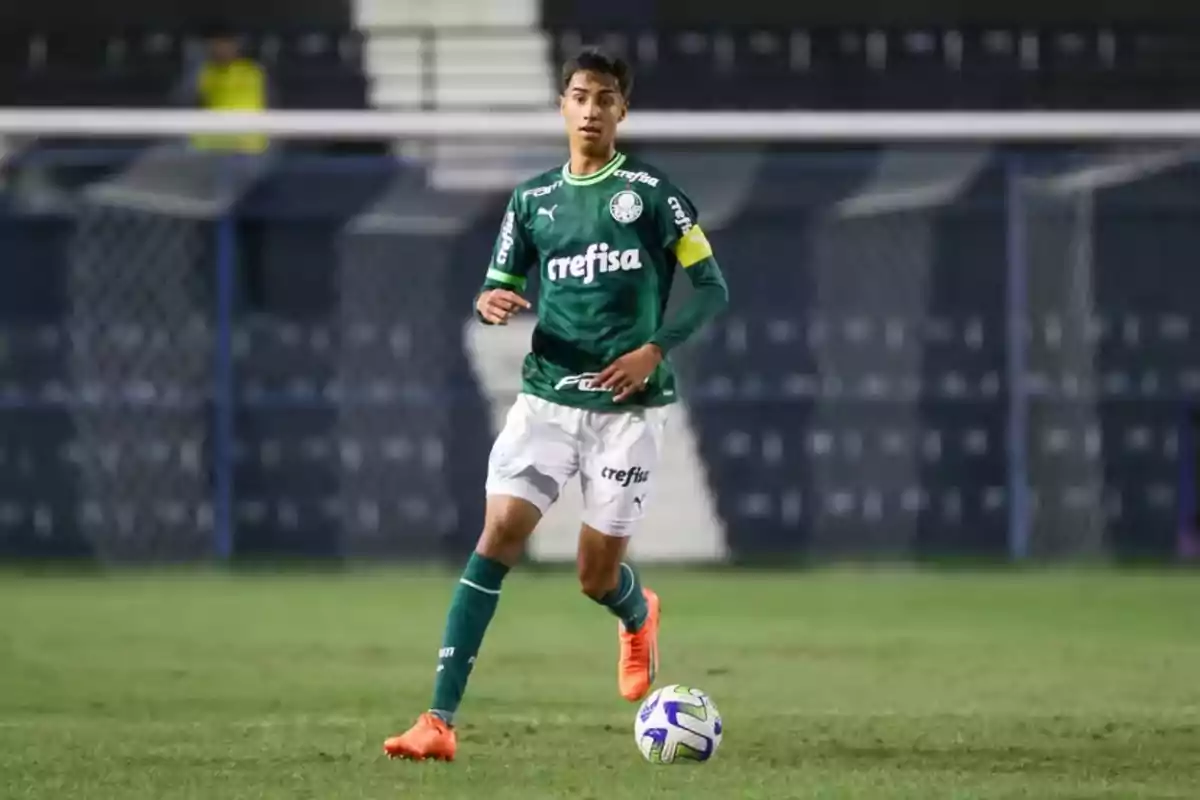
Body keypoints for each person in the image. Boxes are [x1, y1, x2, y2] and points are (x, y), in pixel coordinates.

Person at [383, 47, 730, 762]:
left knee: (593, 574)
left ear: (621, 111)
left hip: (628, 410)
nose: (592, 109)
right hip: (545, 399)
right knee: (499, 534)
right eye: (580, 96)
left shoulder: (653, 194)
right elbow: (496, 286)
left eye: (605, 98)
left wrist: (654, 349)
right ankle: (437, 721)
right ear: (563, 106)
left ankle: (636, 610)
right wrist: (489, 302)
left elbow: (713, 288)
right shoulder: (532, 200)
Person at [174, 22, 270, 153]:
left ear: (236, 45)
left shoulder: (253, 71)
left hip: (247, 146)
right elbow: (182, 98)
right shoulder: (203, 71)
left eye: (225, 43)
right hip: (210, 144)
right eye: (215, 44)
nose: (220, 48)